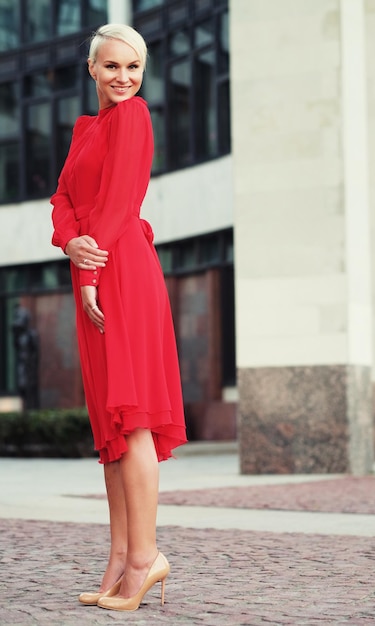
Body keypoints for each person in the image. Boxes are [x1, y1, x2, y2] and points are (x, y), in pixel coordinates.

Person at [51, 23, 187, 612]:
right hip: (98, 270)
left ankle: (144, 558)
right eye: (112, 67)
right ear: (92, 70)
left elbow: (118, 204)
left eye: (134, 67)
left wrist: (86, 267)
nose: (124, 78)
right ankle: (117, 559)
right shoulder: (87, 130)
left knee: (131, 422)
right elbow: (61, 199)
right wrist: (69, 243)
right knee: (111, 430)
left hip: (120, 274)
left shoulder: (133, 118)